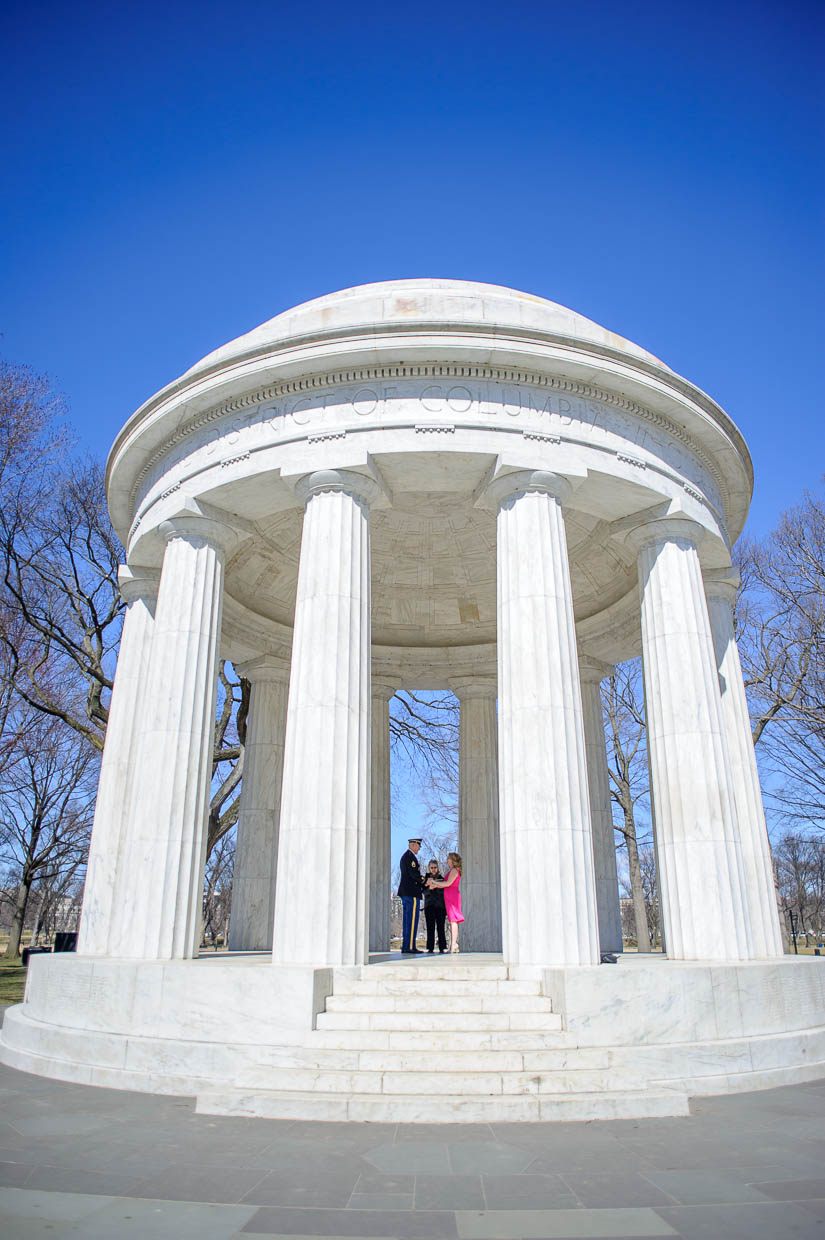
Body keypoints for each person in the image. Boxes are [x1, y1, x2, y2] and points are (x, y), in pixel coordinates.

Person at [426, 851, 463, 953]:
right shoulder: (451, 871)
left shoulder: (455, 871)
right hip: (449, 897)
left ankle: (454, 944)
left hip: (453, 897)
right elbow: (443, 883)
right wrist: (435, 884)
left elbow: (448, 883)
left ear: (453, 860)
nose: (447, 860)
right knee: (452, 921)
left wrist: (433, 882)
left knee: (453, 920)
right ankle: (453, 944)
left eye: (448, 858)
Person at [397, 837, 425, 954]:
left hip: (407, 892)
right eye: (418, 846)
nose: (419, 848)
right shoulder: (410, 858)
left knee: (408, 920)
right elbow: (414, 875)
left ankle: (407, 945)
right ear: (413, 845)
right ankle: (409, 946)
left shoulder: (407, 857)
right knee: (412, 920)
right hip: (411, 892)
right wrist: (425, 880)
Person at [423, 859, 447, 953]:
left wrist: (436, 886)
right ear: (429, 868)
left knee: (441, 927)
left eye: (435, 867)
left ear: (437, 868)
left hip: (440, 906)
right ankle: (430, 947)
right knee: (430, 927)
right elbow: (424, 891)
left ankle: (442, 947)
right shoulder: (425, 879)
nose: (433, 869)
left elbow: (444, 891)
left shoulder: (441, 878)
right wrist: (429, 887)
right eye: (431, 867)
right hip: (429, 906)